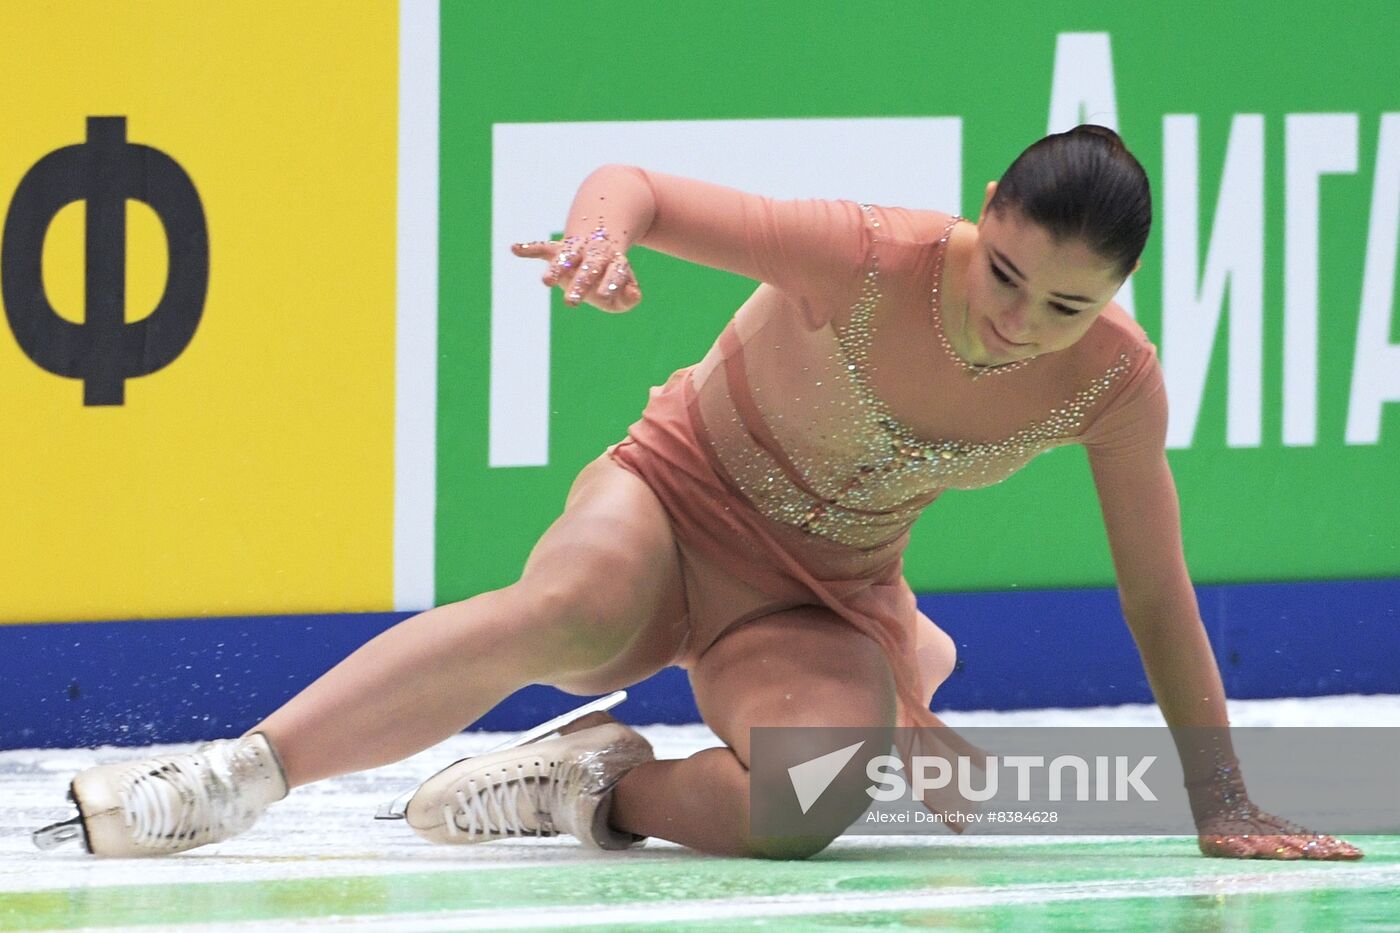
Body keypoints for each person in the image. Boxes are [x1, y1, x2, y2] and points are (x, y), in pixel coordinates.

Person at [43, 125, 1360, 861]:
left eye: (1069, 305)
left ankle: (597, 786)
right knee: (564, 607)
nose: (1021, 322)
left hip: (819, 595)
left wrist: (1223, 795)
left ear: (1116, 301)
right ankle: (227, 777)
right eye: (1008, 273)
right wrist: (601, 235)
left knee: (813, 800)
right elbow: (644, 186)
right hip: (675, 499)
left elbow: (1154, 590)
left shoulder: (1113, 388)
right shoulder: (865, 256)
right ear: (986, 212)